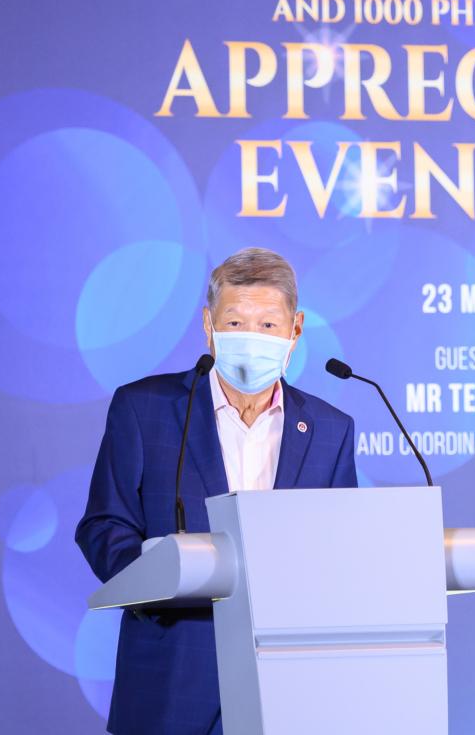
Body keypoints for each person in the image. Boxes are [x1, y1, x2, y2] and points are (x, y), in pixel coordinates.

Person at [76, 247, 358, 735]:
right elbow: (104, 525)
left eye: (267, 325)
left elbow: (342, 546)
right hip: (172, 680)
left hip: (290, 688)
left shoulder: (332, 430)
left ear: (295, 330)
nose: (251, 337)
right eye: (235, 322)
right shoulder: (143, 409)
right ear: (208, 326)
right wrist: (160, 577)